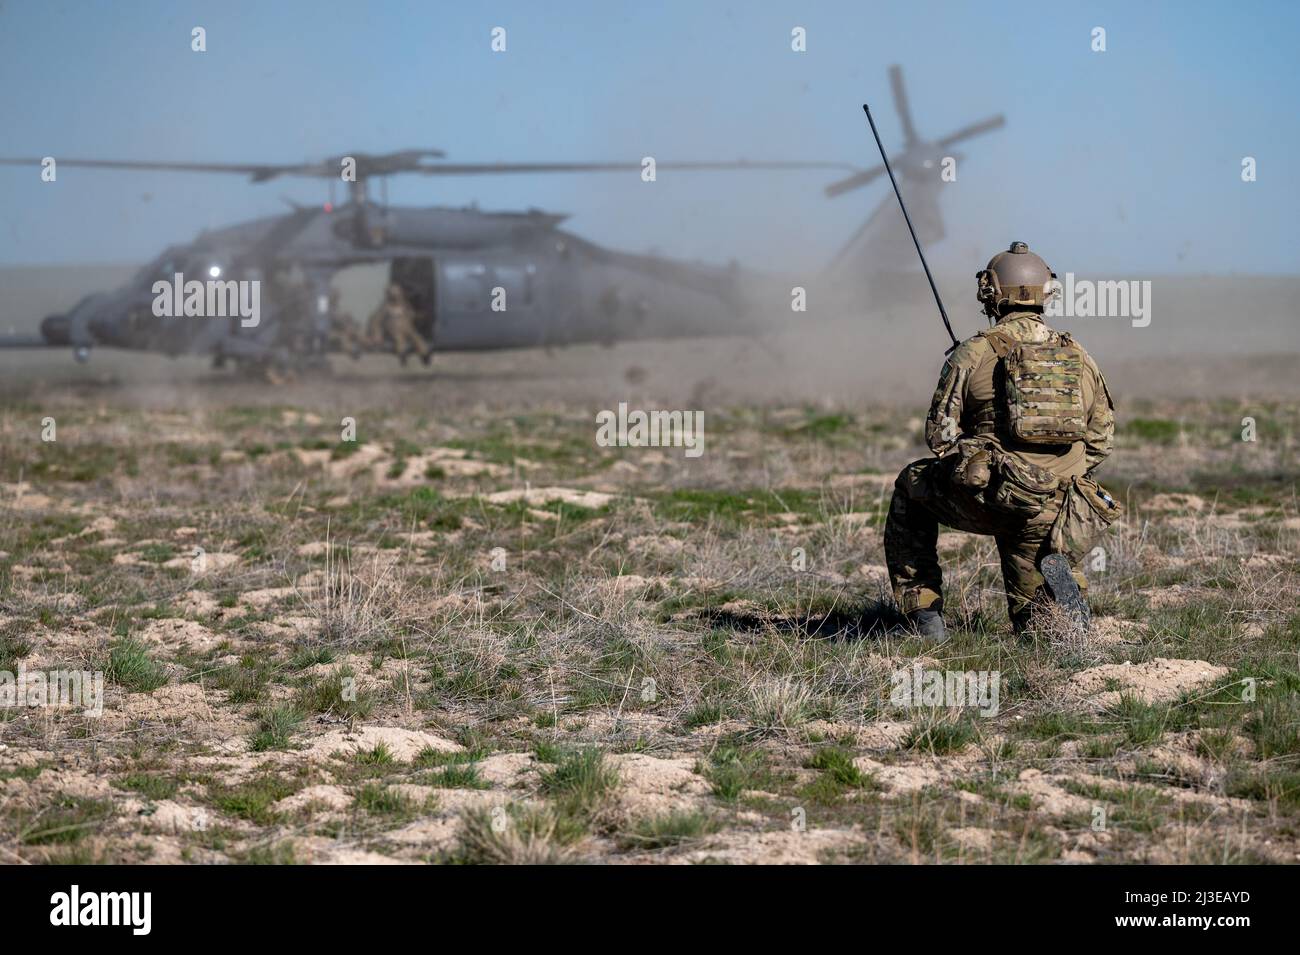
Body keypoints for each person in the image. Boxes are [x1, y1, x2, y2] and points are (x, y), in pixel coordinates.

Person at [883, 241, 1121, 641]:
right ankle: (1062, 598)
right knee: (1034, 629)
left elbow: (938, 437)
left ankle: (923, 615)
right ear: (1048, 292)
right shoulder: (1079, 355)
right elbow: (1101, 440)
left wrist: (977, 457)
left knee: (911, 486)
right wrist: (1053, 473)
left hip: (992, 499)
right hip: (1057, 510)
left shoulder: (973, 353)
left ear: (989, 292)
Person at [366, 282, 433, 365]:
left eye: (398, 293)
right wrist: (377, 334)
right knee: (399, 340)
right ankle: (403, 354)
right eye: (394, 294)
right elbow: (377, 320)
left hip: (407, 327)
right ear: (389, 295)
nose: (396, 296)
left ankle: (424, 354)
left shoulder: (404, 305)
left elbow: (411, 314)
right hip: (394, 329)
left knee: (417, 338)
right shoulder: (386, 307)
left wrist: (418, 316)